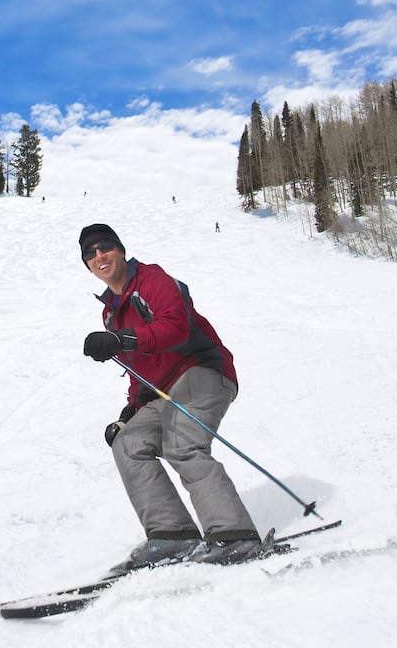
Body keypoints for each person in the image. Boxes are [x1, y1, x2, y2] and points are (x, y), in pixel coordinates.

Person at [79, 222, 261, 574]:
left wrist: (122, 339)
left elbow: (174, 326)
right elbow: (138, 368)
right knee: (128, 443)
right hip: (162, 391)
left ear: (120, 250)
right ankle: (173, 535)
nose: (99, 256)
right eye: (90, 253)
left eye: (105, 247)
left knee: (182, 443)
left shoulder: (150, 280)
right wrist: (129, 413)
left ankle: (234, 535)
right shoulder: (110, 312)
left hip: (202, 370)